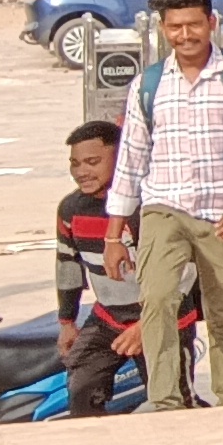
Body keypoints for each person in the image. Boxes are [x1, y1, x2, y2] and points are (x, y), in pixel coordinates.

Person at [103, 0, 223, 410]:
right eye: (175, 27)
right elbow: (130, 159)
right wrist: (113, 236)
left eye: (194, 25)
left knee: (222, 312)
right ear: (163, 28)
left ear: (211, 22)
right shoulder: (149, 85)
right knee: (158, 300)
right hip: (164, 208)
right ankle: (165, 402)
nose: (185, 35)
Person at [53, 120, 150, 417]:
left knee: (170, 397)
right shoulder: (70, 209)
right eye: (75, 163)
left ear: (120, 159)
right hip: (108, 315)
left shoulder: (147, 205)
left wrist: (148, 325)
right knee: (81, 386)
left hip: (157, 316)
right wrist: (67, 322)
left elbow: (179, 273)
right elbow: (67, 266)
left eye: (93, 162)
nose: (82, 171)